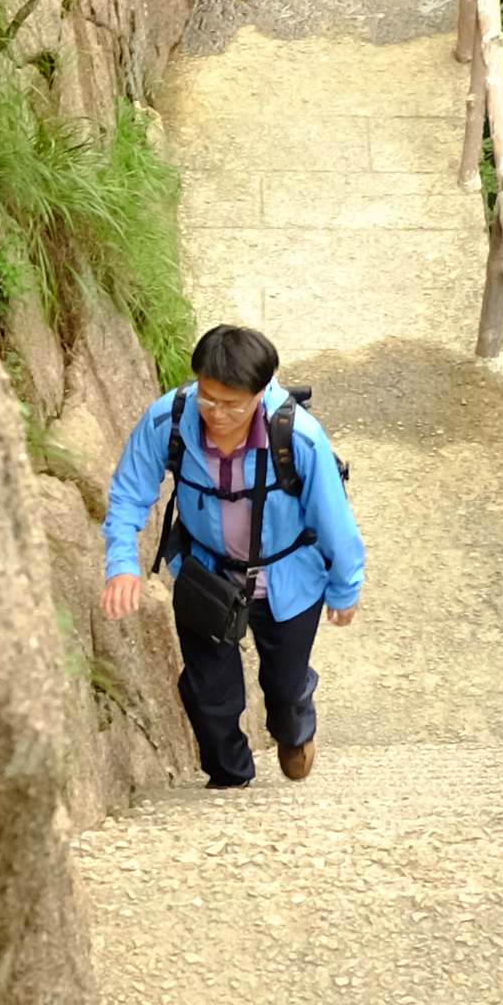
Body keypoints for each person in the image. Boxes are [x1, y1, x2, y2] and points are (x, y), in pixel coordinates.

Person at [100, 324, 365, 789]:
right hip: (207, 572)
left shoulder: (298, 436)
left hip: (289, 576)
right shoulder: (169, 419)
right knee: (208, 695)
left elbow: (333, 520)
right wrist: (122, 565)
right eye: (207, 397)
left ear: (261, 392)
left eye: (231, 403)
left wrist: (346, 587)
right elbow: (128, 494)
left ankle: (294, 725)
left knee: (283, 691)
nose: (216, 413)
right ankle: (230, 781)